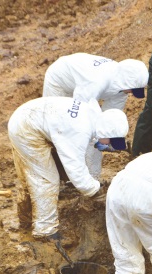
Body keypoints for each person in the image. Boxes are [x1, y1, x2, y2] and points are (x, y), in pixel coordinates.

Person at [8, 97, 128, 240]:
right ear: (106, 133)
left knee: (33, 175)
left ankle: (26, 218)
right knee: (46, 179)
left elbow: (91, 148)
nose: (110, 145)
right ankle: (45, 230)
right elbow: (76, 170)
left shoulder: (93, 116)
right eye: (111, 141)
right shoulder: (78, 132)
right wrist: (95, 191)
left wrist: (95, 177)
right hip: (27, 129)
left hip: (31, 115)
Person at [43, 52, 149, 109]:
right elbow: (79, 109)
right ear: (125, 81)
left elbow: (110, 114)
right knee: (56, 116)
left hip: (79, 83)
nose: (131, 94)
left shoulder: (122, 89)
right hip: (59, 78)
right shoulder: (98, 80)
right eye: (132, 90)